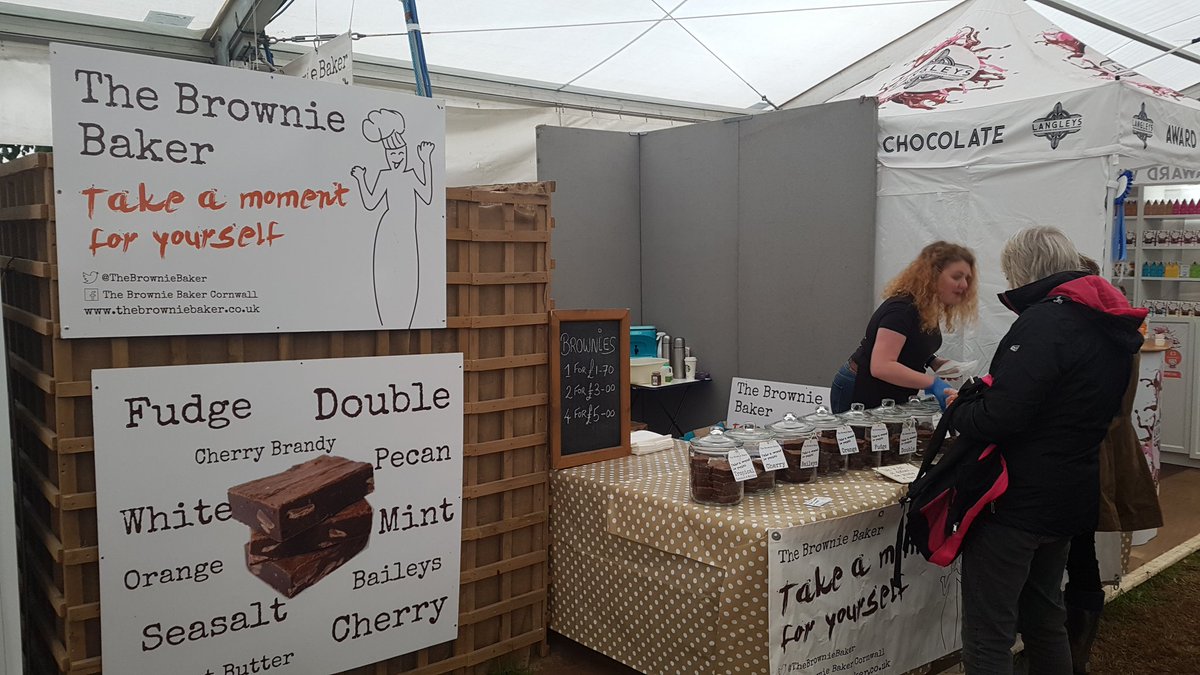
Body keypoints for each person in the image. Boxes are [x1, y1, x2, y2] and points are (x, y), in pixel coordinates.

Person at [950, 227, 1146, 675]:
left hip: (1017, 499)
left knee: (989, 633)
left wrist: (960, 408)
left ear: (1022, 270)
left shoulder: (1046, 321)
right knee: (1043, 617)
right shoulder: (1105, 321)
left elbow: (1001, 417)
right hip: (1070, 490)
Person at [1062, 255, 1162, 675]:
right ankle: (1068, 654)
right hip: (1104, 443)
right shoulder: (1118, 324)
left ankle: (1067, 653)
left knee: (1073, 549)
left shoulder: (1090, 328)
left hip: (1085, 447)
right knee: (1079, 551)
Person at [830, 241, 978, 413]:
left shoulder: (926, 307)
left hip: (888, 390)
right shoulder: (901, 310)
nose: (965, 285)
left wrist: (934, 361)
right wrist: (931, 382)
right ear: (932, 275)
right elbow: (881, 366)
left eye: (967, 278)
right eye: (956, 277)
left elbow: (911, 341)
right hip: (861, 387)